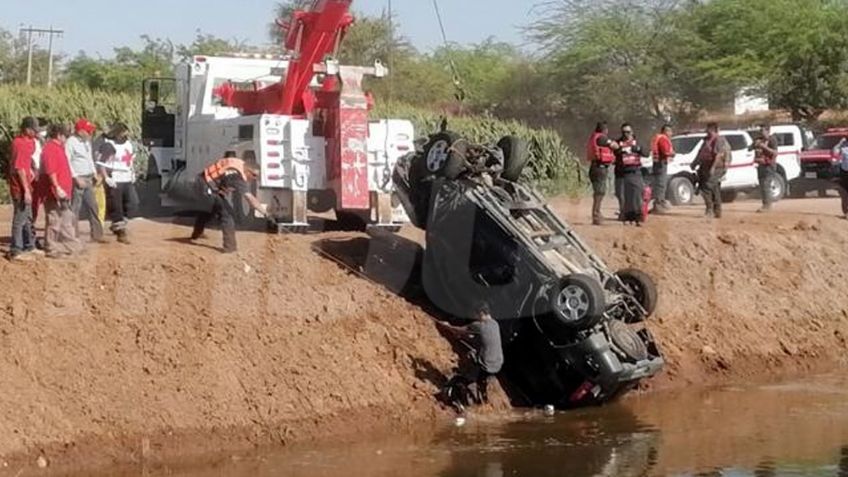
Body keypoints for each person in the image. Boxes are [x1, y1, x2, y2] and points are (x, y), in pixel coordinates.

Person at [191, 152, 267, 253]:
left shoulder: (239, 165)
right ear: (247, 170)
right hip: (205, 186)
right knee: (227, 215)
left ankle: (196, 234)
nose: (254, 179)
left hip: (203, 182)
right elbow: (250, 199)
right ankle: (230, 248)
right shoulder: (236, 176)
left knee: (211, 209)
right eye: (254, 175)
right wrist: (266, 214)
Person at [439, 302, 504, 411]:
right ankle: (484, 402)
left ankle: (461, 404)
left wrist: (446, 325)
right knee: (481, 381)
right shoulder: (495, 324)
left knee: (459, 379)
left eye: (476, 314)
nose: (475, 316)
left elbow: (457, 330)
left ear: (481, 313)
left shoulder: (478, 325)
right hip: (498, 364)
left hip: (484, 366)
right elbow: (481, 339)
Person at [41, 124, 83, 258]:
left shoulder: (59, 148)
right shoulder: (50, 149)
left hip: (64, 192)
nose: (66, 139)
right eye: (65, 136)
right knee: (54, 220)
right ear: (59, 135)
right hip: (54, 192)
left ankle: (72, 246)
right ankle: (51, 248)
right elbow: (51, 171)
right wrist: (57, 187)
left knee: (66, 219)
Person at [96, 123, 138, 244]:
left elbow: (130, 161)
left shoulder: (129, 145)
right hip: (115, 178)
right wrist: (106, 178)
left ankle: (119, 225)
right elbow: (102, 163)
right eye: (123, 132)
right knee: (117, 207)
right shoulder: (109, 145)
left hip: (127, 177)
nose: (125, 135)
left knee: (132, 204)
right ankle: (120, 232)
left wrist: (132, 172)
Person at [66, 118, 105, 243]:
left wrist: (94, 173)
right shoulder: (70, 142)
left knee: (93, 206)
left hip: (88, 177)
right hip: (78, 179)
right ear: (80, 131)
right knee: (75, 208)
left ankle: (97, 235)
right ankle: (73, 236)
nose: (90, 133)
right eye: (88, 131)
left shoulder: (87, 142)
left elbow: (89, 159)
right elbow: (67, 161)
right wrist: (75, 177)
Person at [6, 117, 40, 261]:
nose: (36, 133)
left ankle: (29, 245)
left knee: (28, 217)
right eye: (34, 130)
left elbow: (27, 163)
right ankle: (16, 249)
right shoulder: (20, 144)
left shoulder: (29, 143)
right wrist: (26, 190)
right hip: (19, 187)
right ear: (26, 129)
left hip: (27, 183)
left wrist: (32, 169)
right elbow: (19, 168)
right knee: (20, 218)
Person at [691, 123, 731, 219]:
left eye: (709, 130)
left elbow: (719, 155)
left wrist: (713, 168)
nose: (707, 131)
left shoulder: (719, 140)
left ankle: (710, 210)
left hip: (717, 167)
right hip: (705, 166)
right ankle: (717, 211)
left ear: (714, 130)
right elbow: (701, 153)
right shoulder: (706, 141)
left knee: (706, 187)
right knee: (714, 188)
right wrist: (695, 163)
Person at [586, 121, 620, 225]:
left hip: (596, 167)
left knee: (599, 192)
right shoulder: (602, 138)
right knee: (599, 192)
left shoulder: (594, 137)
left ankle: (597, 214)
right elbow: (615, 146)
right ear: (604, 130)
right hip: (599, 168)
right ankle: (596, 216)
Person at [615, 123, 647, 225]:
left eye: (628, 132)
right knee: (623, 196)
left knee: (637, 196)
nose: (626, 134)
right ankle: (627, 217)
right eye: (623, 132)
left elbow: (646, 153)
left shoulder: (637, 142)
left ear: (632, 132)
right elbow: (613, 151)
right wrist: (619, 150)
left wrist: (637, 148)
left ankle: (638, 219)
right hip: (622, 173)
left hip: (635, 171)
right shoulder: (618, 142)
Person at [752, 124, 779, 213]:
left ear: (768, 131)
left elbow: (775, 153)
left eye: (762, 130)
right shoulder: (760, 140)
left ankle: (767, 205)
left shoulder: (772, 140)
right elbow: (750, 148)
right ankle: (765, 204)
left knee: (766, 184)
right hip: (761, 165)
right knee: (762, 185)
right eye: (760, 131)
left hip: (769, 166)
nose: (761, 132)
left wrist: (764, 147)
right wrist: (755, 144)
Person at [650, 124, 675, 214]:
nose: (671, 133)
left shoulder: (659, 138)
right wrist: (672, 154)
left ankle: (657, 205)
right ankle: (658, 206)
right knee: (661, 185)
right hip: (661, 164)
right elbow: (665, 152)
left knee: (659, 184)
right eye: (670, 131)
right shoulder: (663, 139)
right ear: (665, 131)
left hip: (657, 164)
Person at [833, 138, 848, 219]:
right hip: (844, 173)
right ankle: (846, 212)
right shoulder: (843, 147)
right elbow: (834, 152)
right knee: (844, 194)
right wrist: (840, 143)